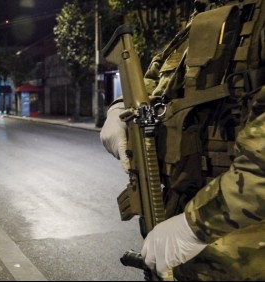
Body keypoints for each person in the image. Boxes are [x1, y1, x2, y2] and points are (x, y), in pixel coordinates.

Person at [100, 0, 265, 280]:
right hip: (181, 254)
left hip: (242, 261)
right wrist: (118, 107)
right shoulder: (201, 20)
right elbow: (157, 84)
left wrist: (195, 225)